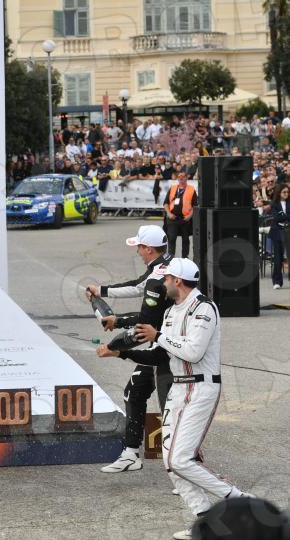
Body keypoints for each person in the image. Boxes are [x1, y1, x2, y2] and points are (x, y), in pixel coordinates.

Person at [97, 258, 251, 540]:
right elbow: (160, 356)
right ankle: (205, 521)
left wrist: (158, 335)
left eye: (166, 279)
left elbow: (193, 352)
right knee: (170, 460)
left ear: (177, 281)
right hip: (178, 389)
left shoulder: (204, 308)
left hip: (201, 389)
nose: (162, 283)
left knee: (180, 459)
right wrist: (121, 353)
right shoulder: (170, 312)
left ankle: (241, 500)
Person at [85, 225, 173, 474]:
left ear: (149, 249)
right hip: (159, 343)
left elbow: (146, 319)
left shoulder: (158, 276)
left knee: (171, 407)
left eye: (139, 247)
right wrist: (101, 291)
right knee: (134, 392)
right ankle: (131, 454)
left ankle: (188, 465)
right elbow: (137, 286)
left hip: (172, 349)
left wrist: (118, 322)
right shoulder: (163, 265)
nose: (137, 252)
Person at [163, 172, 198, 258]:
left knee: (185, 240)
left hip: (185, 219)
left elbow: (195, 206)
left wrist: (189, 216)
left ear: (186, 178)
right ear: (177, 179)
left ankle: (185, 258)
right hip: (172, 218)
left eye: (183, 176)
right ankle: (171, 258)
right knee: (171, 239)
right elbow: (166, 203)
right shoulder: (172, 188)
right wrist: (169, 213)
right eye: (179, 177)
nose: (181, 178)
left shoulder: (191, 189)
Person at [269, 184, 289, 289]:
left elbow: (281, 217)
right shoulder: (274, 204)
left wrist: (283, 215)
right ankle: (277, 281)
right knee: (278, 258)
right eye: (284, 192)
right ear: (279, 193)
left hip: (288, 231)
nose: (286, 194)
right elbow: (276, 218)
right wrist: (285, 217)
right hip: (277, 232)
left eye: (287, 192)